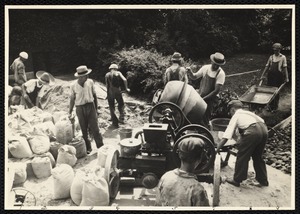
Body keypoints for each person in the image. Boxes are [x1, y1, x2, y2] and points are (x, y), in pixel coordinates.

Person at [216, 100, 269, 187]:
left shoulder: (236, 115)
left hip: (252, 132)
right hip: (264, 130)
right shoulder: (248, 113)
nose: (230, 114)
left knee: (242, 155)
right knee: (258, 157)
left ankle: (237, 180)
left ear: (232, 109)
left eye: (230, 112)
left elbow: (227, 135)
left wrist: (217, 148)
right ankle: (263, 181)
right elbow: (261, 121)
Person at [155, 137, 210, 206]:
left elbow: (157, 205)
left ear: (179, 155)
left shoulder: (165, 177)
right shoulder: (197, 190)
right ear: (200, 158)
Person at [69, 65, 104, 154]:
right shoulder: (73, 85)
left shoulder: (90, 82)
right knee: (83, 129)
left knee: (95, 128)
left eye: (87, 75)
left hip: (90, 106)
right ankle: (88, 147)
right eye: (85, 75)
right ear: (80, 77)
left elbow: (94, 95)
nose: (87, 77)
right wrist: (69, 112)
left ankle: (101, 147)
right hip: (80, 108)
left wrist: (96, 109)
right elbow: (72, 99)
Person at [187, 52, 226, 128]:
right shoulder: (206, 68)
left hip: (210, 100)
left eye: (218, 65)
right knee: (196, 116)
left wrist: (204, 99)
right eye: (214, 64)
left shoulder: (221, 74)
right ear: (211, 61)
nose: (215, 66)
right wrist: (190, 72)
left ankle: (205, 135)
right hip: (201, 96)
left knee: (205, 120)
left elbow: (216, 91)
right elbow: (194, 77)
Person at [260, 43, 289, 111]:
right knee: (270, 90)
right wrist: (262, 75)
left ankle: (275, 107)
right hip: (271, 76)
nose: (275, 51)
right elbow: (267, 66)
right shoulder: (271, 57)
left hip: (278, 76)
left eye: (277, 50)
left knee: (276, 91)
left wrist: (287, 77)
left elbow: (285, 68)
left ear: (279, 50)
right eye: (274, 50)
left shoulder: (283, 57)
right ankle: (269, 106)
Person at [105, 63, 130, 128]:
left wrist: (107, 94)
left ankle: (114, 121)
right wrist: (126, 88)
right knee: (121, 104)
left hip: (110, 91)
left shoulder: (107, 74)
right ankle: (121, 118)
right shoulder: (118, 73)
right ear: (116, 68)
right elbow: (124, 79)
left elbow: (107, 85)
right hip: (117, 91)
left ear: (110, 69)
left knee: (111, 106)